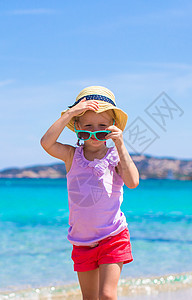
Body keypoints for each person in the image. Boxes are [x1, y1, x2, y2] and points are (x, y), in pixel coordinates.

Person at [40, 86, 139, 300]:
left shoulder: (114, 157)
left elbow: (133, 182)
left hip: (113, 235)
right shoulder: (71, 155)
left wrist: (120, 144)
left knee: (107, 296)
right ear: (76, 128)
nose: (94, 134)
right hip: (82, 241)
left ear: (112, 128)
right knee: (90, 298)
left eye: (102, 128)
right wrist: (70, 112)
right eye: (87, 129)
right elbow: (46, 143)